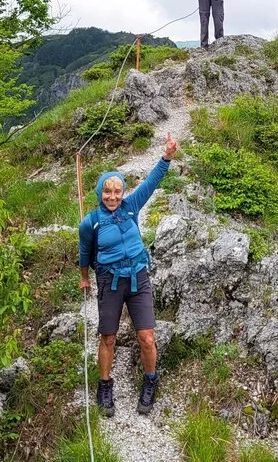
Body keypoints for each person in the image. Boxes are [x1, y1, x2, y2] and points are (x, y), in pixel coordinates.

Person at [78, 132, 179, 416]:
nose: (112, 197)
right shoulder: (91, 222)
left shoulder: (131, 207)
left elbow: (151, 183)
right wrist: (84, 277)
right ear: (100, 193)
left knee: (146, 336)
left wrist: (166, 157)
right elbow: (84, 253)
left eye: (117, 192)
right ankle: (104, 385)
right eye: (107, 192)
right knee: (108, 337)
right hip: (109, 280)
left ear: (122, 193)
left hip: (138, 276)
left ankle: (150, 381)